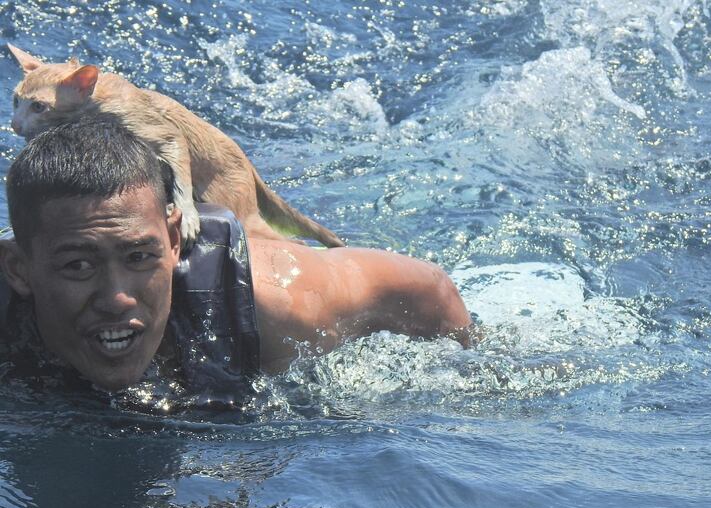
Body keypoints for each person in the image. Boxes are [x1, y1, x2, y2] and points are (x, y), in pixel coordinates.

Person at [0, 118, 472, 394]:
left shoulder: (274, 306)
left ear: (174, 239)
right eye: (77, 265)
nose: (117, 297)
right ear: (19, 268)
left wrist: (471, 362)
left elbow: (427, 286)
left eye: (140, 256)